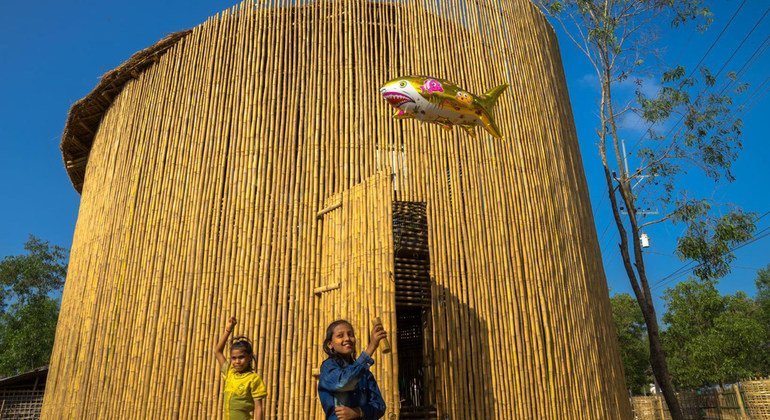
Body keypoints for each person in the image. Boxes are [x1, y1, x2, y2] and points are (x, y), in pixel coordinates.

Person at [318, 319, 388, 420]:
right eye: (340, 335)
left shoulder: (365, 373)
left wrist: (358, 412)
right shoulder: (328, 367)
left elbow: (380, 406)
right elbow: (343, 383)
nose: (347, 338)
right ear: (330, 344)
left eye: (350, 334)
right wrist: (371, 347)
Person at [214, 317, 266, 420]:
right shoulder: (230, 372)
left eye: (241, 357)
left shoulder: (253, 379)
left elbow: (258, 407)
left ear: (249, 357)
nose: (237, 361)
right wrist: (228, 330)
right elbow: (217, 352)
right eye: (234, 358)